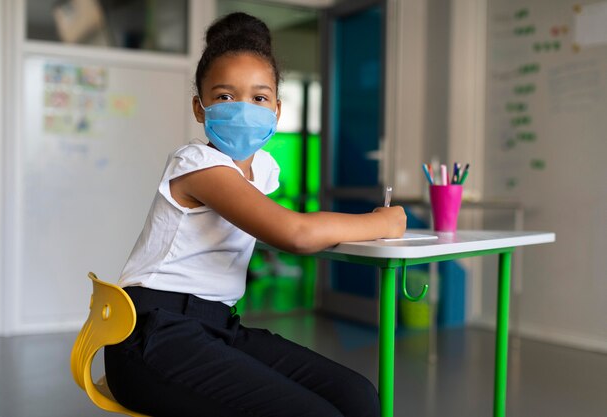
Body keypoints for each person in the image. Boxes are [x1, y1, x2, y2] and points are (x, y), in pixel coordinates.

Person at [104, 12, 406, 417]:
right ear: (200, 106)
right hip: (153, 333)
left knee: (358, 396)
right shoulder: (198, 164)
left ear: (277, 110)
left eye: (259, 98)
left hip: (216, 325)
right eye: (226, 97)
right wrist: (383, 222)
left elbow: (282, 223)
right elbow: (294, 232)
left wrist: (325, 228)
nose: (244, 110)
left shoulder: (262, 169)